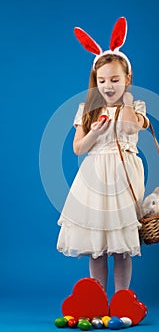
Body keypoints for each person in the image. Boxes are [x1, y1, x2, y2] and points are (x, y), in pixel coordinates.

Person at [57, 17, 149, 293]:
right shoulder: (88, 109)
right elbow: (78, 148)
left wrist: (129, 101)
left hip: (123, 179)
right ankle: (97, 298)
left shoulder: (136, 106)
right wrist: (95, 133)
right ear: (95, 81)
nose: (108, 86)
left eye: (115, 80)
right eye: (102, 80)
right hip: (94, 178)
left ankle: (122, 297)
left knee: (121, 248)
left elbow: (133, 126)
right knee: (96, 247)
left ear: (127, 79)